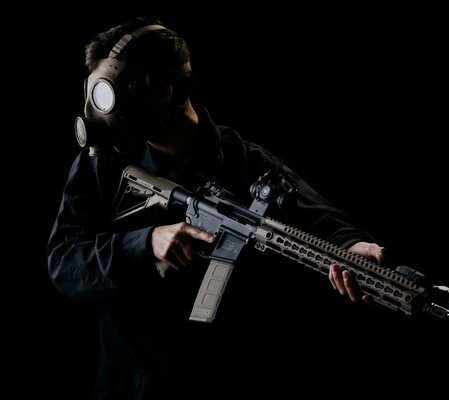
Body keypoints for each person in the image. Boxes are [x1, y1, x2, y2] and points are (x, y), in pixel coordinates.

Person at [48, 16, 385, 399]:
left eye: (109, 96)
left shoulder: (246, 162)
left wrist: (355, 249)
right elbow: (64, 261)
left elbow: (324, 222)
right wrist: (145, 243)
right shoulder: (102, 163)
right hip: (132, 386)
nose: (101, 113)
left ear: (161, 90)